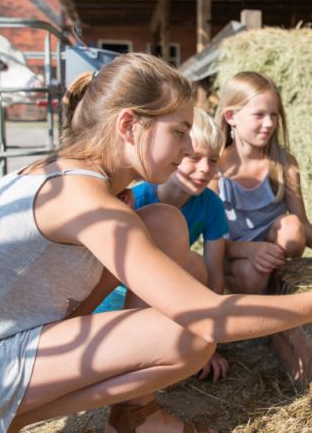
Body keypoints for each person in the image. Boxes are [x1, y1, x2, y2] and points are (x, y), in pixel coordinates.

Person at [0, 53, 312, 433]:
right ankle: (6, 420)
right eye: (180, 132)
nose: (191, 150)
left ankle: (134, 415)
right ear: (129, 125)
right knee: (189, 335)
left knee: (164, 224)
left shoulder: (78, 178)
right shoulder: (85, 199)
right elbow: (207, 314)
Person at [98, 107, 231, 382]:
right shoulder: (137, 197)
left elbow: (215, 275)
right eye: (194, 157)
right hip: (119, 297)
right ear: (176, 154)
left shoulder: (211, 204)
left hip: (162, 293)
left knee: (196, 267)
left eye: (213, 160)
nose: (205, 168)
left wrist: (211, 341)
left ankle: (187, 338)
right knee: (187, 264)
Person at [214, 71, 312, 295]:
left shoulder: (284, 164)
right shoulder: (215, 168)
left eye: (274, 115)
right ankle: (245, 299)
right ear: (231, 116)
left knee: (292, 229)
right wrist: (249, 250)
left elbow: (301, 221)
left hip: (274, 253)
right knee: (251, 273)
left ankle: (275, 282)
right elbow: (212, 240)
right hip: (235, 255)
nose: (269, 123)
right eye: (259, 115)